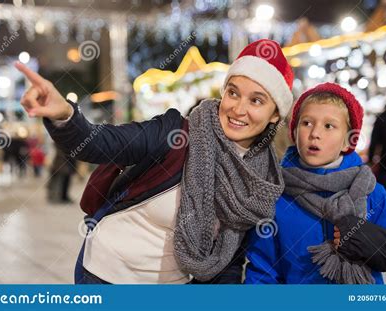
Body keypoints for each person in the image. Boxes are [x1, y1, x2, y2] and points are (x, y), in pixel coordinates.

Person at [15, 39, 293, 284]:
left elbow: (229, 260)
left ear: (274, 115)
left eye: (256, 101)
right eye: (233, 93)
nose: (238, 108)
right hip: (107, 274)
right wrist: (64, 113)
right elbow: (101, 143)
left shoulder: (262, 179)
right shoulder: (176, 133)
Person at [245, 83, 386, 284]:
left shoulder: (372, 192)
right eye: (307, 123)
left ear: (347, 141)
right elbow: (262, 270)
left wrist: (371, 240)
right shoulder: (277, 196)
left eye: (329, 126)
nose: (315, 133)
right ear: (294, 132)